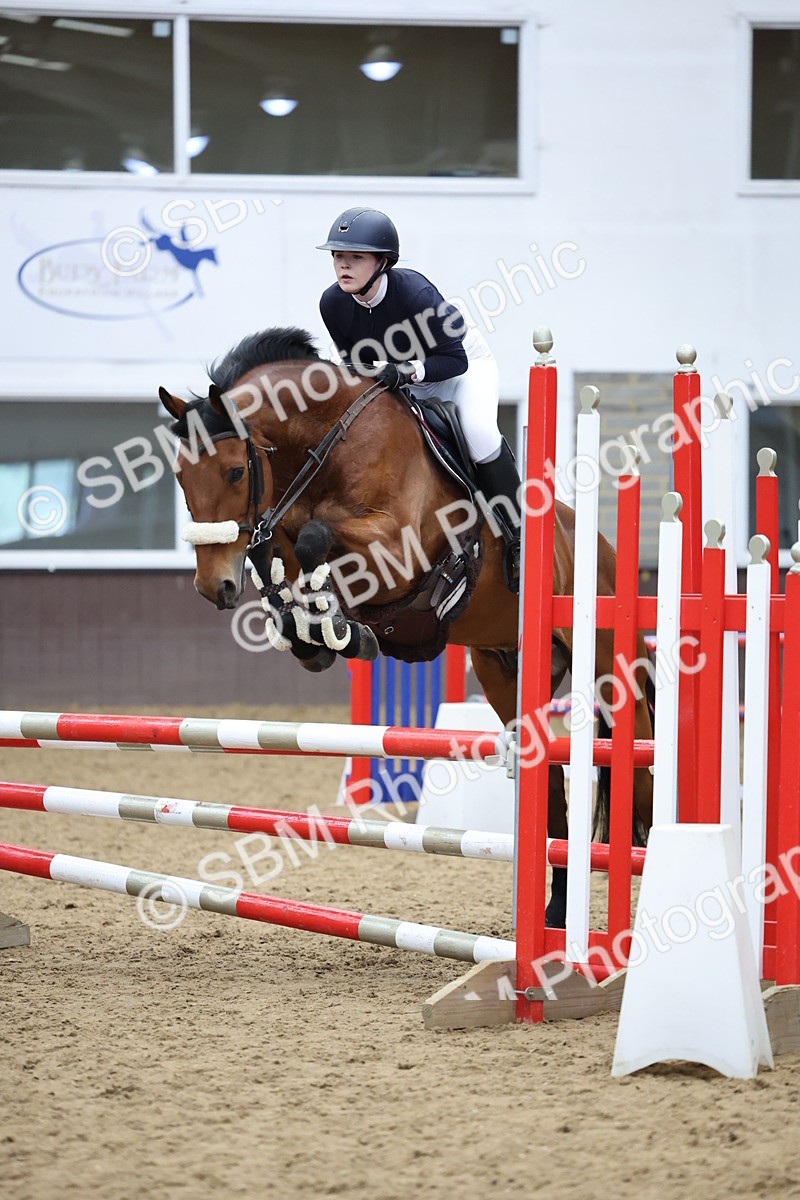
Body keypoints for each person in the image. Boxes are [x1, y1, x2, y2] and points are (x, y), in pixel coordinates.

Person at [317, 206, 521, 592]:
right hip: (403, 378)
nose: (343, 265)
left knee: (478, 433)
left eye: (355, 257)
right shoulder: (333, 303)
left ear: (383, 263)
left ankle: (517, 534)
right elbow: (353, 362)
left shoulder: (414, 293)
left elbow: (455, 359)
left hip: (460, 370)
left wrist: (407, 371)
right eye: (338, 256)